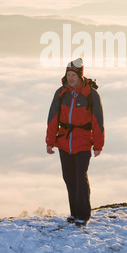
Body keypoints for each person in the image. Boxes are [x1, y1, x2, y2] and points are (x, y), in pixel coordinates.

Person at [45, 58, 105, 226]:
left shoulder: (91, 95)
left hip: (83, 142)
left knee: (80, 178)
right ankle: (74, 212)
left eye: (73, 75)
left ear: (80, 75)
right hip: (64, 142)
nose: (70, 78)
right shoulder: (61, 93)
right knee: (69, 178)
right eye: (68, 75)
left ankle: (84, 214)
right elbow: (52, 119)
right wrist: (50, 141)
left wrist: (98, 145)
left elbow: (98, 121)